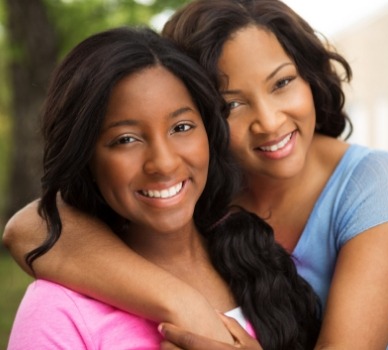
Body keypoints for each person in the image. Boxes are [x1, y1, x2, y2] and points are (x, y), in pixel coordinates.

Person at [3, 0, 388, 349]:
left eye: (281, 83)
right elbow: (29, 228)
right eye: (232, 105)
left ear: (308, 77)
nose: (269, 121)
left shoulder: (376, 183)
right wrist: (184, 304)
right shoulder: (203, 197)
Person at [6, 26, 321, 350]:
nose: (164, 163)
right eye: (126, 139)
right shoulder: (58, 310)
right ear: (85, 157)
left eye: (181, 127)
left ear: (209, 133)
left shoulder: (263, 260)